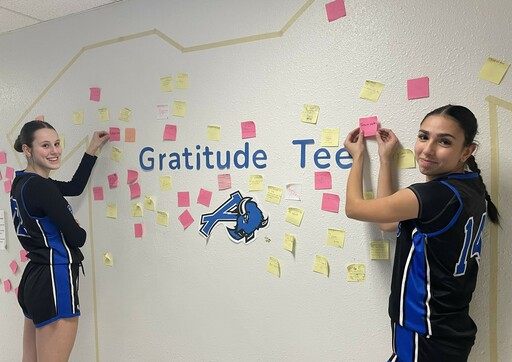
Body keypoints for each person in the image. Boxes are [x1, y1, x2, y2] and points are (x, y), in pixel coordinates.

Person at [343, 105, 500, 362]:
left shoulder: (434, 196)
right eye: (423, 136)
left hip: (424, 330)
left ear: (467, 151)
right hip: (447, 330)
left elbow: (354, 208)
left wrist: (358, 157)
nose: (427, 150)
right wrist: (385, 159)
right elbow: (388, 223)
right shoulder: (470, 189)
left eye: (444, 141)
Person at [10, 120, 109, 362]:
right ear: (27, 149)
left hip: (34, 277)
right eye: (45, 145)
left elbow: (74, 187)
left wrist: (91, 149)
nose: (54, 150)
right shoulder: (41, 188)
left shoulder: (23, 182)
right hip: (55, 278)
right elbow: (78, 238)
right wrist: (75, 227)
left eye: (56, 143)